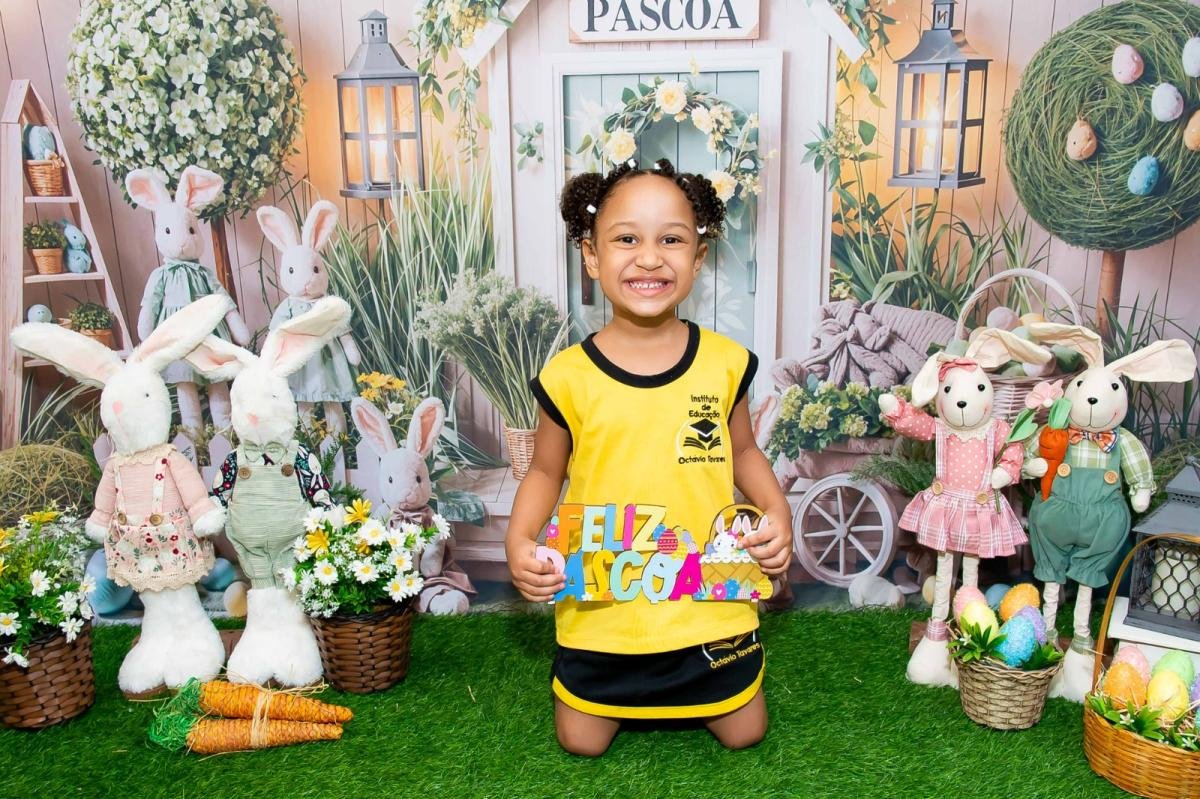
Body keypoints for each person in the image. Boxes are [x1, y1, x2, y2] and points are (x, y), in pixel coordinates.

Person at [505, 158, 792, 756]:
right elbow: (545, 471)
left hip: (708, 603)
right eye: (627, 239)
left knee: (747, 733)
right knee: (582, 743)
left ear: (699, 258)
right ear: (591, 256)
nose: (650, 258)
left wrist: (776, 510)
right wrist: (519, 540)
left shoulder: (725, 364)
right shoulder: (567, 377)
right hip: (603, 606)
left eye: (671, 240)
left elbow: (743, 449)